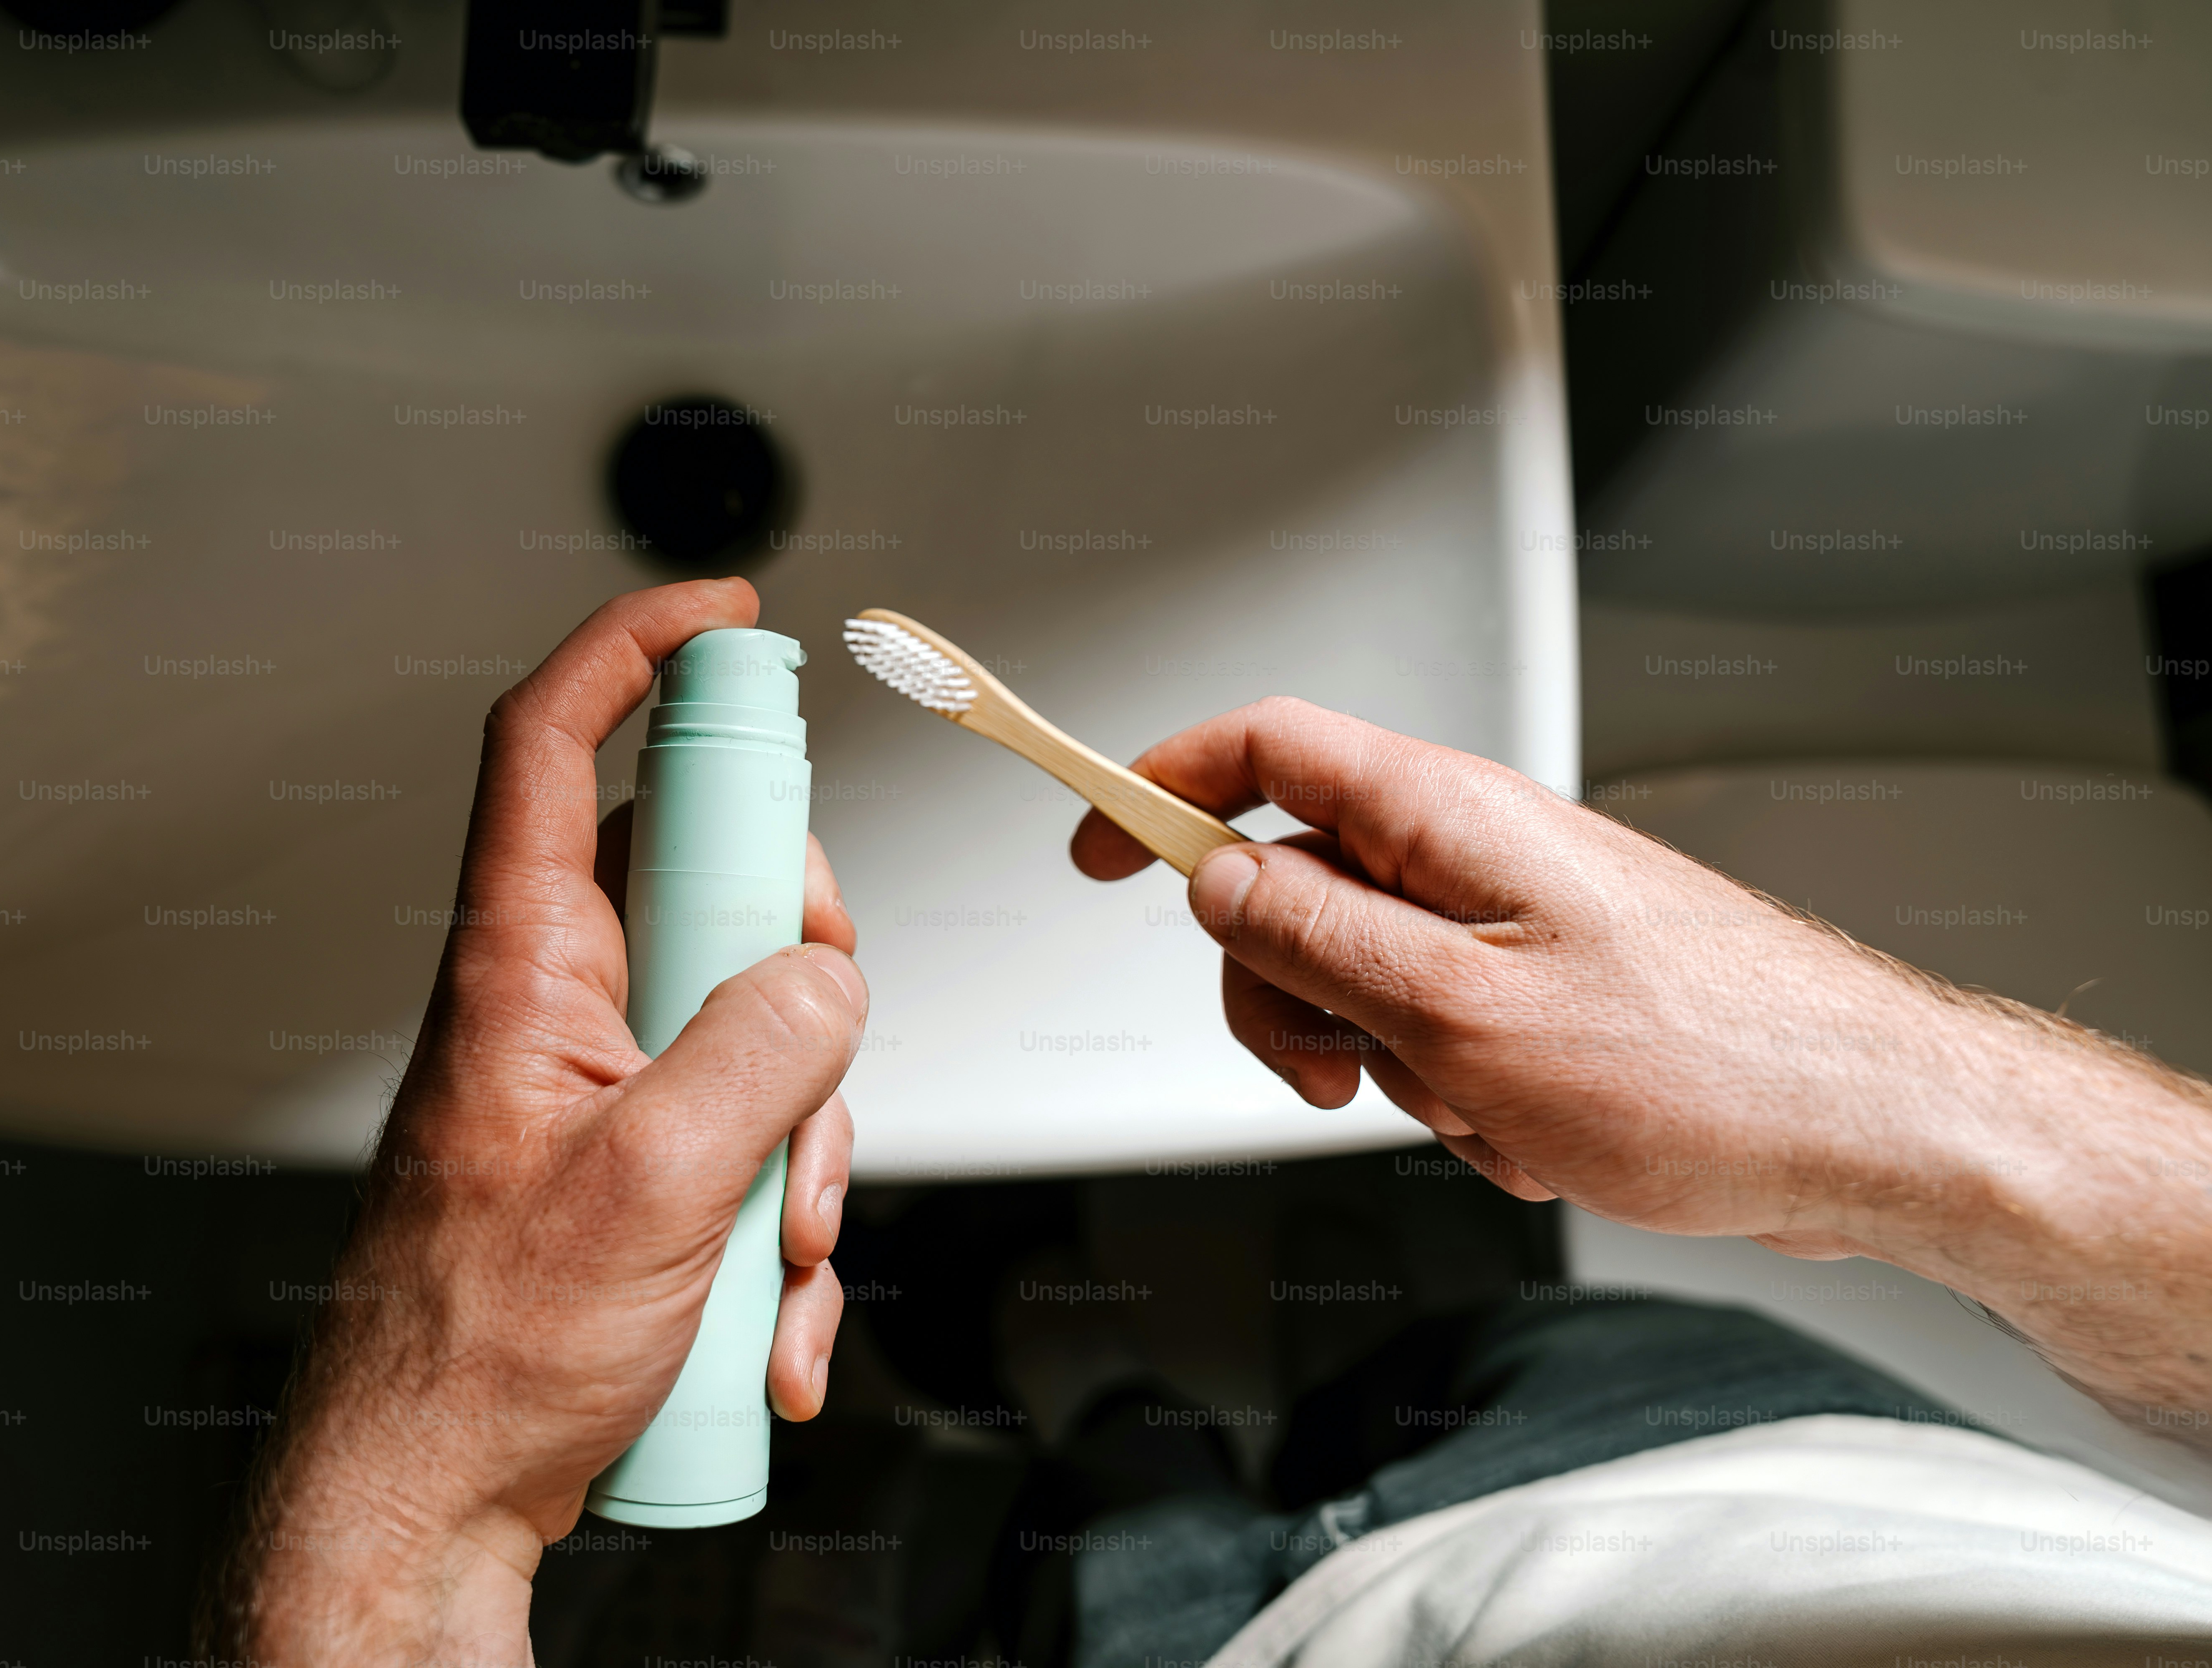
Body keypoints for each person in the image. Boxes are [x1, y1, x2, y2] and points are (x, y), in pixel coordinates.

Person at [199, 581, 2212, 1664]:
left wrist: (404, 1522)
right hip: (1787, 1466)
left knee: (1111, 1515)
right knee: (1436, 1372)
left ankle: (1062, 1412)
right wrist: (1884, 1099)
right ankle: (1089, 1378)